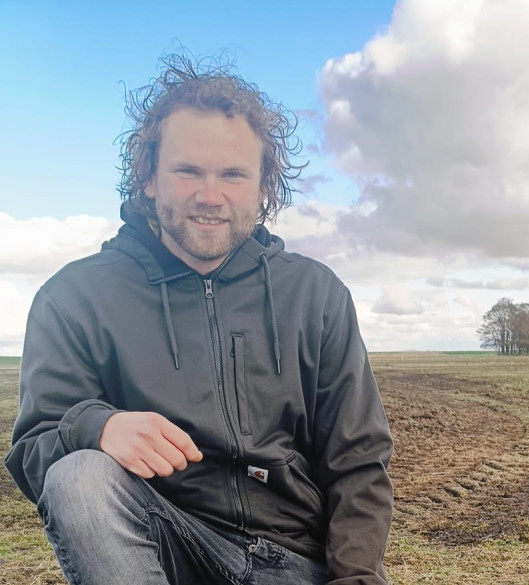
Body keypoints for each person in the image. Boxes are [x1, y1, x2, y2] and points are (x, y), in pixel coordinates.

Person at [4, 55, 394, 585]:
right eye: (188, 171)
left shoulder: (316, 292)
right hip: (161, 549)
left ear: (262, 188)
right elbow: (35, 449)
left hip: (294, 560)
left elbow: (359, 460)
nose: (210, 197)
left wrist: (356, 578)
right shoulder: (75, 296)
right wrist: (97, 427)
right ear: (148, 178)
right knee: (80, 476)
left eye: (233, 175)